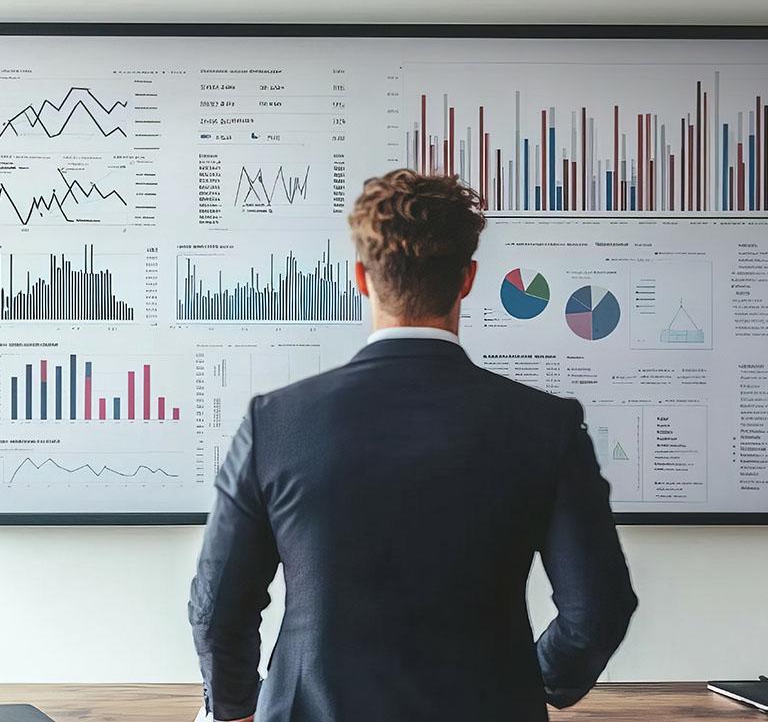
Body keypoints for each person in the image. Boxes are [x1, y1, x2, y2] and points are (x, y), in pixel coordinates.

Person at [188, 169, 638, 722]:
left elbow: (218, 612)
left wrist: (234, 705)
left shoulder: (275, 422)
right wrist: (534, 678)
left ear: (360, 277)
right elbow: (598, 609)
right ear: (467, 279)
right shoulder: (546, 424)